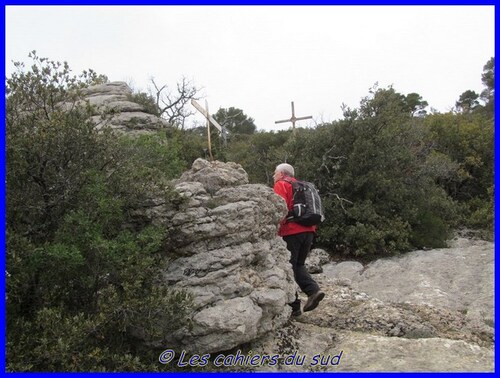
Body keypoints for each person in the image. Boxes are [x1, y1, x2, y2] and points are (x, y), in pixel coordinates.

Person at [273, 163, 325, 316]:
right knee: (298, 265)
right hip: (309, 231)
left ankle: (294, 307)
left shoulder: (281, 184)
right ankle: (313, 291)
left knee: (287, 268)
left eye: (275, 172)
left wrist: (274, 230)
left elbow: (279, 209)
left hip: (291, 232)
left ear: (282, 173)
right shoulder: (301, 186)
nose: (273, 176)